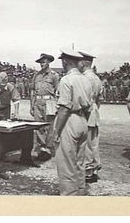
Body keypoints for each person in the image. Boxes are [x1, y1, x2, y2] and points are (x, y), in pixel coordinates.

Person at [50, 49, 92, 195]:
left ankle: (69, 196)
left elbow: (64, 108)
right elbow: (89, 106)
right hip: (82, 119)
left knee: (66, 162)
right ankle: (80, 190)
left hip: (69, 120)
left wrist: (56, 131)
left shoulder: (66, 80)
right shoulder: (86, 79)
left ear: (65, 61)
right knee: (79, 161)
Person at [77, 51, 102, 183]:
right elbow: (99, 99)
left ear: (85, 63)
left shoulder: (85, 78)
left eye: (80, 61)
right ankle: (94, 168)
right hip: (94, 110)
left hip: (87, 111)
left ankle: (88, 170)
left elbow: (84, 99)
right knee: (93, 142)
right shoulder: (96, 78)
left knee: (86, 143)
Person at [30, 53, 59, 161]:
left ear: (49, 62)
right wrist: (31, 105)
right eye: (41, 62)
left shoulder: (54, 75)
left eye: (44, 62)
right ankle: (42, 149)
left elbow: (57, 91)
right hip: (38, 102)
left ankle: (48, 148)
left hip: (49, 102)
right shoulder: (36, 75)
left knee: (49, 126)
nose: (42, 64)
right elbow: (32, 90)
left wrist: (56, 105)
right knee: (38, 126)